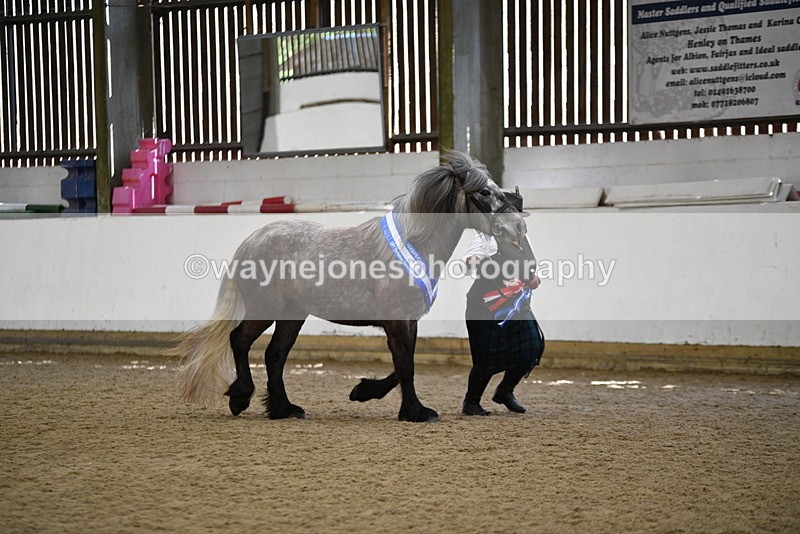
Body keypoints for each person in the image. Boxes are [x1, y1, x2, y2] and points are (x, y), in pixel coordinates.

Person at [462, 193, 545, 416]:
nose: (516, 219)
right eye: (511, 215)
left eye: (518, 215)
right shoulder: (487, 238)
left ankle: (505, 390)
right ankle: (471, 403)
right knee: (486, 357)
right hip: (486, 307)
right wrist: (483, 263)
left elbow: (527, 269)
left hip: (517, 306)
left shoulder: (522, 239)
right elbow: (471, 263)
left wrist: (532, 279)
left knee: (533, 347)